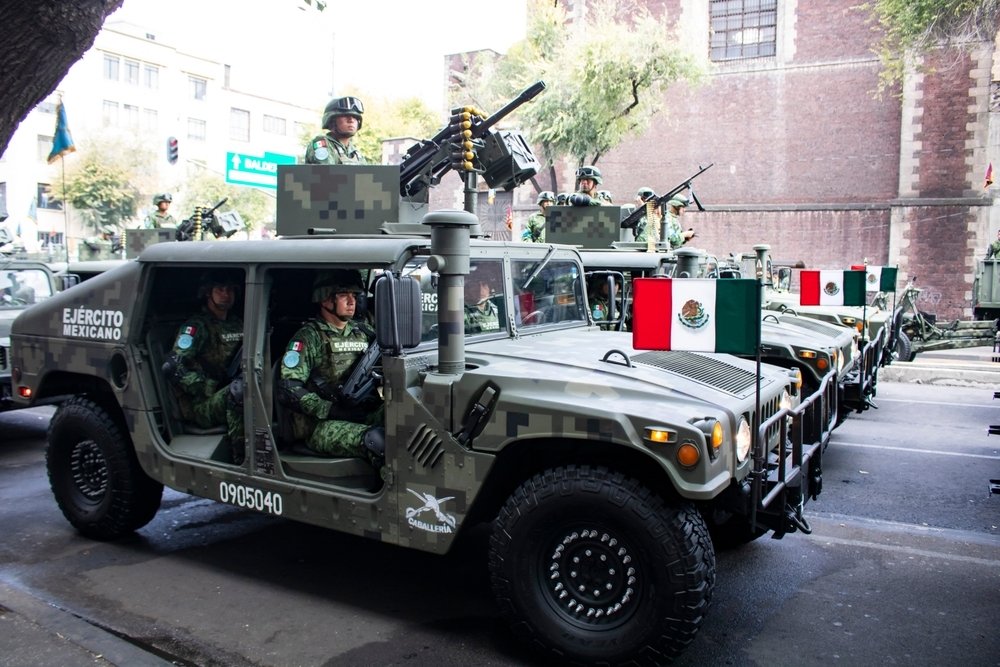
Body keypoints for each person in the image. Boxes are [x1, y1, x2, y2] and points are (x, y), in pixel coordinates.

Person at [277, 269, 384, 469]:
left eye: (354, 295)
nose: (352, 301)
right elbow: (289, 389)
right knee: (378, 442)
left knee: (406, 425)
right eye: (344, 295)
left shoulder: (363, 333)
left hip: (360, 411)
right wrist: (330, 410)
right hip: (319, 425)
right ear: (325, 300)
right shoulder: (309, 337)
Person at [163, 269, 245, 462]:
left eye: (230, 290)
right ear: (208, 292)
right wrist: (204, 386)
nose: (226, 295)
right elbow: (172, 366)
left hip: (229, 390)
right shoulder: (196, 327)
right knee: (240, 391)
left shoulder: (238, 324)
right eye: (220, 289)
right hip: (201, 405)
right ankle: (241, 457)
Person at [304, 96, 368, 165]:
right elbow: (326, 173)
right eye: (345, 115)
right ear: (332, 120)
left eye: (355, 117)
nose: (351, 120)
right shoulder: (321, 143)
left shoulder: (355, 152)